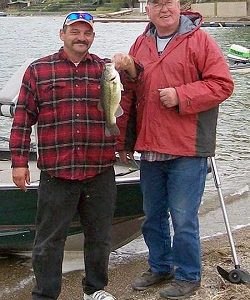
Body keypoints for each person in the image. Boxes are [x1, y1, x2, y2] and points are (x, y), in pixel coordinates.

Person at [9, 11, 134, 300]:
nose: (81, 37)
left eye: (87, 33)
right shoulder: (39, 70)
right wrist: (18, 162)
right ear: (62, 34)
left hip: (99, 168)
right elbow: (22, 118)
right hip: (57, 172)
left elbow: (128, 100)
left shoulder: (105, 70)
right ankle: (45, 294)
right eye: (75, 32)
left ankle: (95, 290)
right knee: (49, 240)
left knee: (100, 237)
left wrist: (128, 67)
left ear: (93, 37)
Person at [113, 1, 234, 299]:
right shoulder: (141, 42)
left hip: (187, 149)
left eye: (168, 1)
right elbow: (128, 95)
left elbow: (222, 85)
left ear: (180, 6)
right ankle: (160, 266)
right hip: (150, 149)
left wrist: (181, 95)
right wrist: (124, 144)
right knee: (152, 216)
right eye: (155, 3)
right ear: (148, 9)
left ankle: (188, 276)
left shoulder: (200, 40)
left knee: (183, 218)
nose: (163, 8)